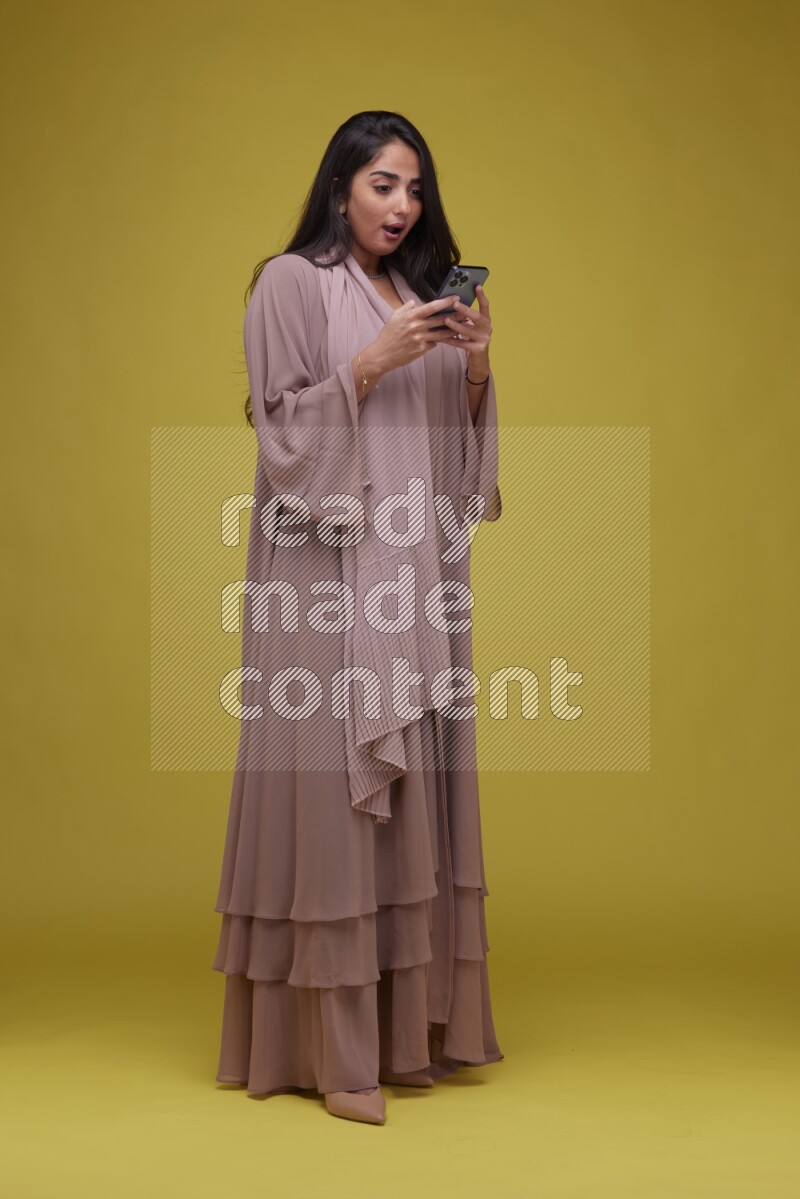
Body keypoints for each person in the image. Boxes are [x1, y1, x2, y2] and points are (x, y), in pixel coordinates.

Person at [211, 110, 504, 1126]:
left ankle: (403, 1033)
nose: (403, 205)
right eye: (383, 183)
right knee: (333, 798)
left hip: (411, 575)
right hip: (322, 571)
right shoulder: (288, 283)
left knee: (411, 790)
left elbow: (454, 468)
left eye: (414, 188)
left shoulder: (418, 296)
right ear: (340, 187)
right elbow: (282, 434)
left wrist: (468, 364)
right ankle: (331, 1055)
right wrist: (371, 361)